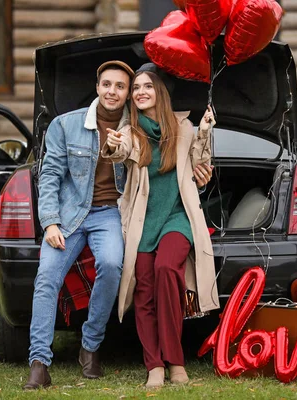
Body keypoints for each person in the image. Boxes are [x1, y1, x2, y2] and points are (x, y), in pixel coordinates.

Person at [102, 63, 220, 388]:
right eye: (136, 87)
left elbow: (200, 164)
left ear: (159, 93)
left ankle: (175, 360)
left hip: (177, 217)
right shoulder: (129, 133)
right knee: (144, 289)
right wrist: (112, 145)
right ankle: (154, 364)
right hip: (143, 220)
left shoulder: (184, 128)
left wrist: (206, 130)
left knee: (168, 269)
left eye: (147, 86)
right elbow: (118, 150)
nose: (140, 92)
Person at [23, 60, 135, 390]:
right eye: (107, 84)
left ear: (128, 93)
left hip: (110, 213)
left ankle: (90, 346)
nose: (112, 91)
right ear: (97, 87)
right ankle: (39, 363)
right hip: (70, 214)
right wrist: (51, 223)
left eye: (120, 86)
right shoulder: (65, 125)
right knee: (46, 277)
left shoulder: (137, 129)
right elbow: (50, 176)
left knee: (112, 264)